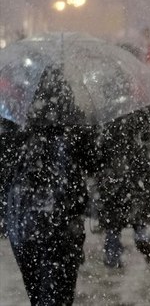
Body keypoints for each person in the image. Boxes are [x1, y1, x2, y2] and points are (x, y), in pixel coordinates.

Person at [6, 68, 97, 305]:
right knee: (60, 293)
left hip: (24, 222)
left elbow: (5, 171)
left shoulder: (18, 122)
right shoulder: (76, 123)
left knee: (37, 291)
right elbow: (94, 162)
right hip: (63, 222)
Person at [96, 106, 150, 268]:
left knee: (113, 221)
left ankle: (112, 254)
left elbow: (96, 149)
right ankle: (142, 239)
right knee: (138, 213)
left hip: (112, 176)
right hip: (136, 173)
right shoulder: (140, 113)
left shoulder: (105, 117)